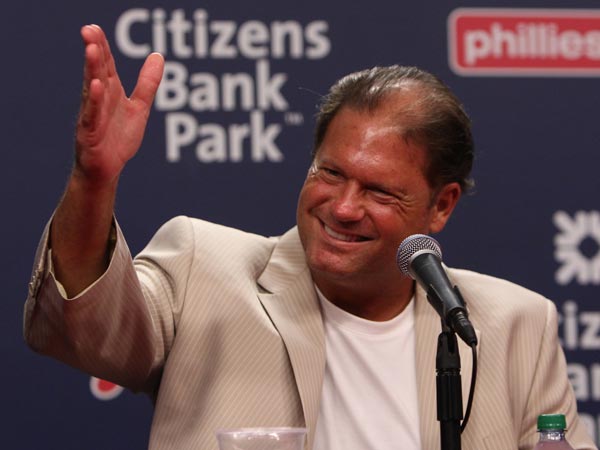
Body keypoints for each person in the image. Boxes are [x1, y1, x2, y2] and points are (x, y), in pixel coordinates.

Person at [23, 24, 596, 450]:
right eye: (331, 173)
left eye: (379, 191)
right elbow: (81, 330)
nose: (343, 208)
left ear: (440, 205)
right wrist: (93, 181)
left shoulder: (515, 325)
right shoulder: (204, 267)